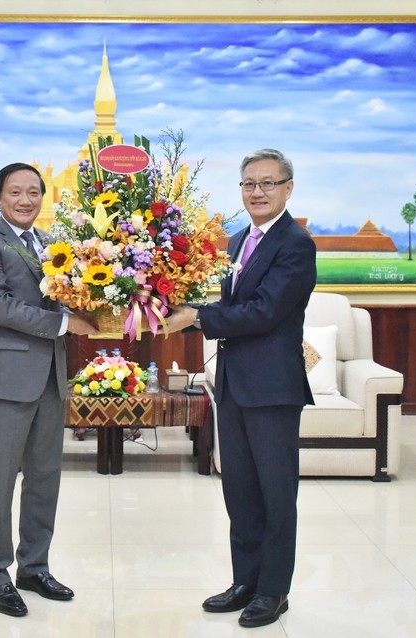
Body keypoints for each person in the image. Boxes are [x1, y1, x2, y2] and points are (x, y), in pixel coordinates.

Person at [167, 149, 316, 628]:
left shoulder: (295, 244)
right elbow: (218, 303)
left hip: (273, 388)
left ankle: (273, 591)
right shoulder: (236, 242)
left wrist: (196, 318)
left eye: (268, 184)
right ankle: (245, 581)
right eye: (249, 184)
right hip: (232, 385)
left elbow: (263, 312)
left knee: (275, 494)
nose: (258, 192)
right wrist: (164, 306)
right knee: (241, 492)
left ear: (288, 188)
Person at [0, 162, 97, 617]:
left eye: (33, 192)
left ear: (43, 196)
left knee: (45, 478)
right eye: (15, 192)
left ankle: (33, 566)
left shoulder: (48, 244)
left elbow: (68, 294)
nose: (25, 200)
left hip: (51, 378)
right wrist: (63, 321)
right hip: (7, 378)